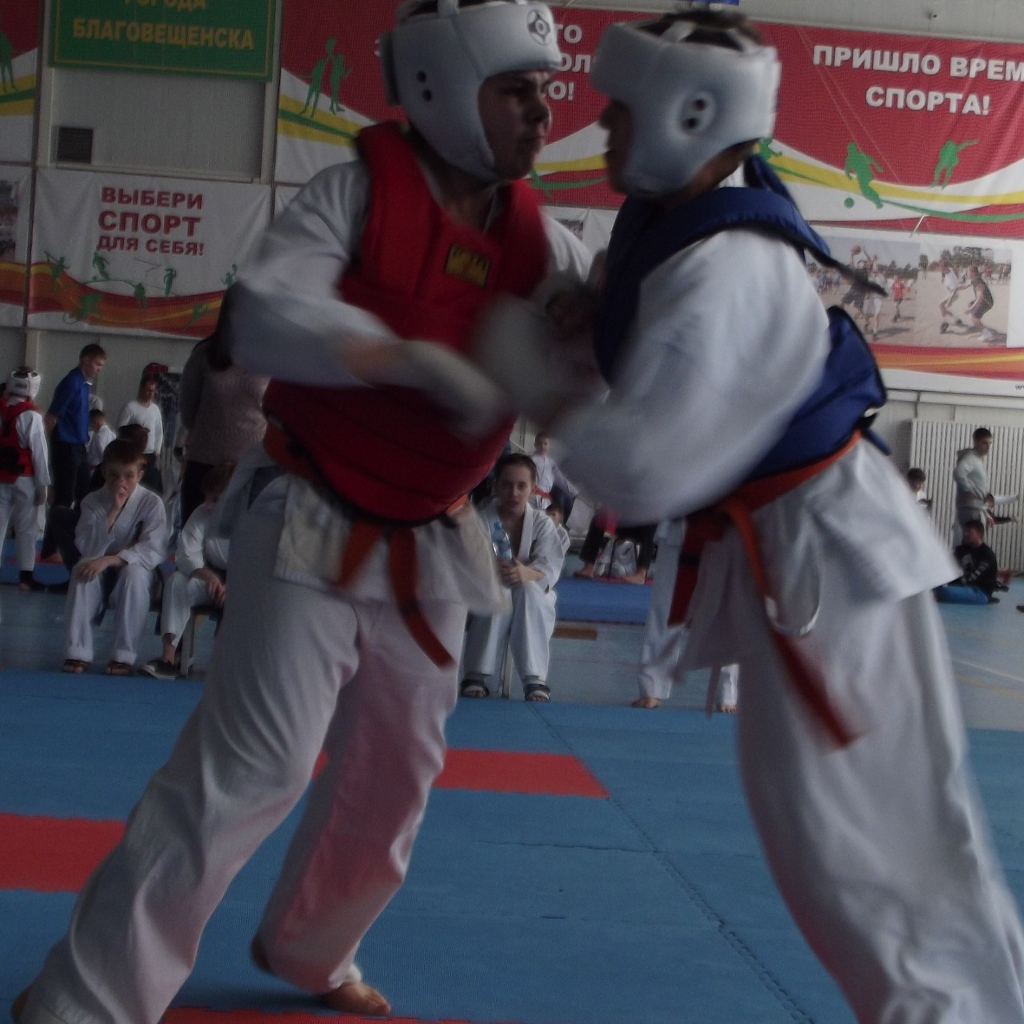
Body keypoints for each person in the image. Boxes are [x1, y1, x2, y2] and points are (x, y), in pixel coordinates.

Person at [12, 3, 588, 1023]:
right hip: (312, 511)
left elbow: (605, 352)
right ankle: (85, 997)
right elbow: (267, 316)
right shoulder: (354, 195)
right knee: (255, 763)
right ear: (441, 90)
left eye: (546, 90)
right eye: (517, 90)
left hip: (434, 533)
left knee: (399, 768)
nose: (543, 112)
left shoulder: (546, 245)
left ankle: (314, 946)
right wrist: (412, 358)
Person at [480, 10, 1024, 1021]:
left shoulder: (726, 265)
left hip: (825, 561)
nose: (602, 125)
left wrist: (539, 384)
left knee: (867, 860)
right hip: (804, 553)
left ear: (689, 117)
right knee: (870, 847)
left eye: (622, 110)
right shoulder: (674, 218)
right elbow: (636, 325)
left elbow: (644, 470)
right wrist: (586, 322)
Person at [461, 452, 565, 702]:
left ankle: (534, 678)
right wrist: (490, 570)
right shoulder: (479, 519)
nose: (514, 492)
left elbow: (549, 568)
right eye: (507, 485)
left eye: (521, 486)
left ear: (533, 489)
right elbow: (465, 563)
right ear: (495, 485)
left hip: (532, 596)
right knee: (499, 590)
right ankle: (476, 674)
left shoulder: (542, 523)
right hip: (484, 595)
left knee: (528, 589)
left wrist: (526, 573)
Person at [60, 439, 168, 676]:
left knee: (134, 573)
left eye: (129, 476)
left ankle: (123, 655)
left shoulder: (151, 503)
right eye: (114, 475)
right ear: (103, 472)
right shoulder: (92, 501)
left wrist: (111, 560)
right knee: (82, 569)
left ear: (140, 474)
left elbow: (153, 549)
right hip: (99, 565)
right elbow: (87, 547)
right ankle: (78, 651)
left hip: (137, 569)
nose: (121, 482)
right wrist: (113, 511)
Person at [177, 289, 270, 525]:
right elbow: (188, 410)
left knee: (247, 539)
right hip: (205, 464)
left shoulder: (273, 359)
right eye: (239, 310)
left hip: (252, 468)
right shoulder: (204, 354)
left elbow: (280, 414)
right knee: (194, 536)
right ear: (228, 313)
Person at [140, 463, 233, 680]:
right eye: (207, 498)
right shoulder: (201, 514)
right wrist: (206, 575)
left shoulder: (250, 519)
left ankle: (231, 663)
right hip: (208, 578)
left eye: (215, 500)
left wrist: (234, 583)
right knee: (177, 582)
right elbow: (185, 555)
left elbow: (256, 560)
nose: (208, 505)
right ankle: (168, 658)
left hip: (242, 582)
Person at [40, 344, 106, 564]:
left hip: (78, 445)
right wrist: (48, 448)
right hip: (65, 445)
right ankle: (49, 548)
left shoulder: (83, 385)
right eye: (97, 364)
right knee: (64, 496)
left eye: (101, 366)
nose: (99, 369)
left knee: (86, 495)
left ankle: (79, 540)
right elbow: (52, 417)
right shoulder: (71, 382)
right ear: (85, 360)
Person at [0, 368, 50, 591]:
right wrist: (43, 484)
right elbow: (39, 453)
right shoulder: (31, 416)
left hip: (1, 478)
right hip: (25, 480)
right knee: (27, 528)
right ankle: (25, 577)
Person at [118, 375, 165, 495]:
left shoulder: (155, 410)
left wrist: (156, 451)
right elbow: (121, 430)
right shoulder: (130, 407)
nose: (151, 394)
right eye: (148, 390)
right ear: (142, 388)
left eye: (153, 391)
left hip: (150, 455)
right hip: (134, 453)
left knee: (151, 488)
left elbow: (159, 431)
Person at [934, 519, 1000, 604]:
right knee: (934, 587)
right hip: (963, 587)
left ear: (979, 534)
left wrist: (949, 582)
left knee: (943, 591)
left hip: (979, 592)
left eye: (969, 532)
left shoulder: (987, 555)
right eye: (964, 531)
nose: (965, 534)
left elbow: (971, 577)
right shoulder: (961, 549)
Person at [953, 426, 992, 542]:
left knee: (973, 545)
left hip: (975, 507)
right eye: (984, 443)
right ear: (975, 442)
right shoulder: (971, 458)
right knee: (973, 544)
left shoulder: (977, 459)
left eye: (990, 443)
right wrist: (969, 490)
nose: (988, 447)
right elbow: (958, 473)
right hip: (971, 509)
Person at [529, 430, 577, 521]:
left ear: (549, 445)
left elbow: (561, 479)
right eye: (539, 444)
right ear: (535, 445)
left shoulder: (551, 463)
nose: (542, 446)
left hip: (546, 499)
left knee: (543, 523)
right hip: (532, 496)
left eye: (545, 444)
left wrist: (575, 493)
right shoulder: (530, 460)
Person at [965, 264, 996, 342]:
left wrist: (970, 309)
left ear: (972, 272)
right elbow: (964, 286)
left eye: (967, 271)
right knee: (970, 305)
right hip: (983, 300)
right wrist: (955, 288)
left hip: (986, 302)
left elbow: (980, 297)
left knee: (973, 317)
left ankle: (987, 334)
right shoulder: (974, 280)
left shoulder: (978, 282)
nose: (966, 273)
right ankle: (977, 323)